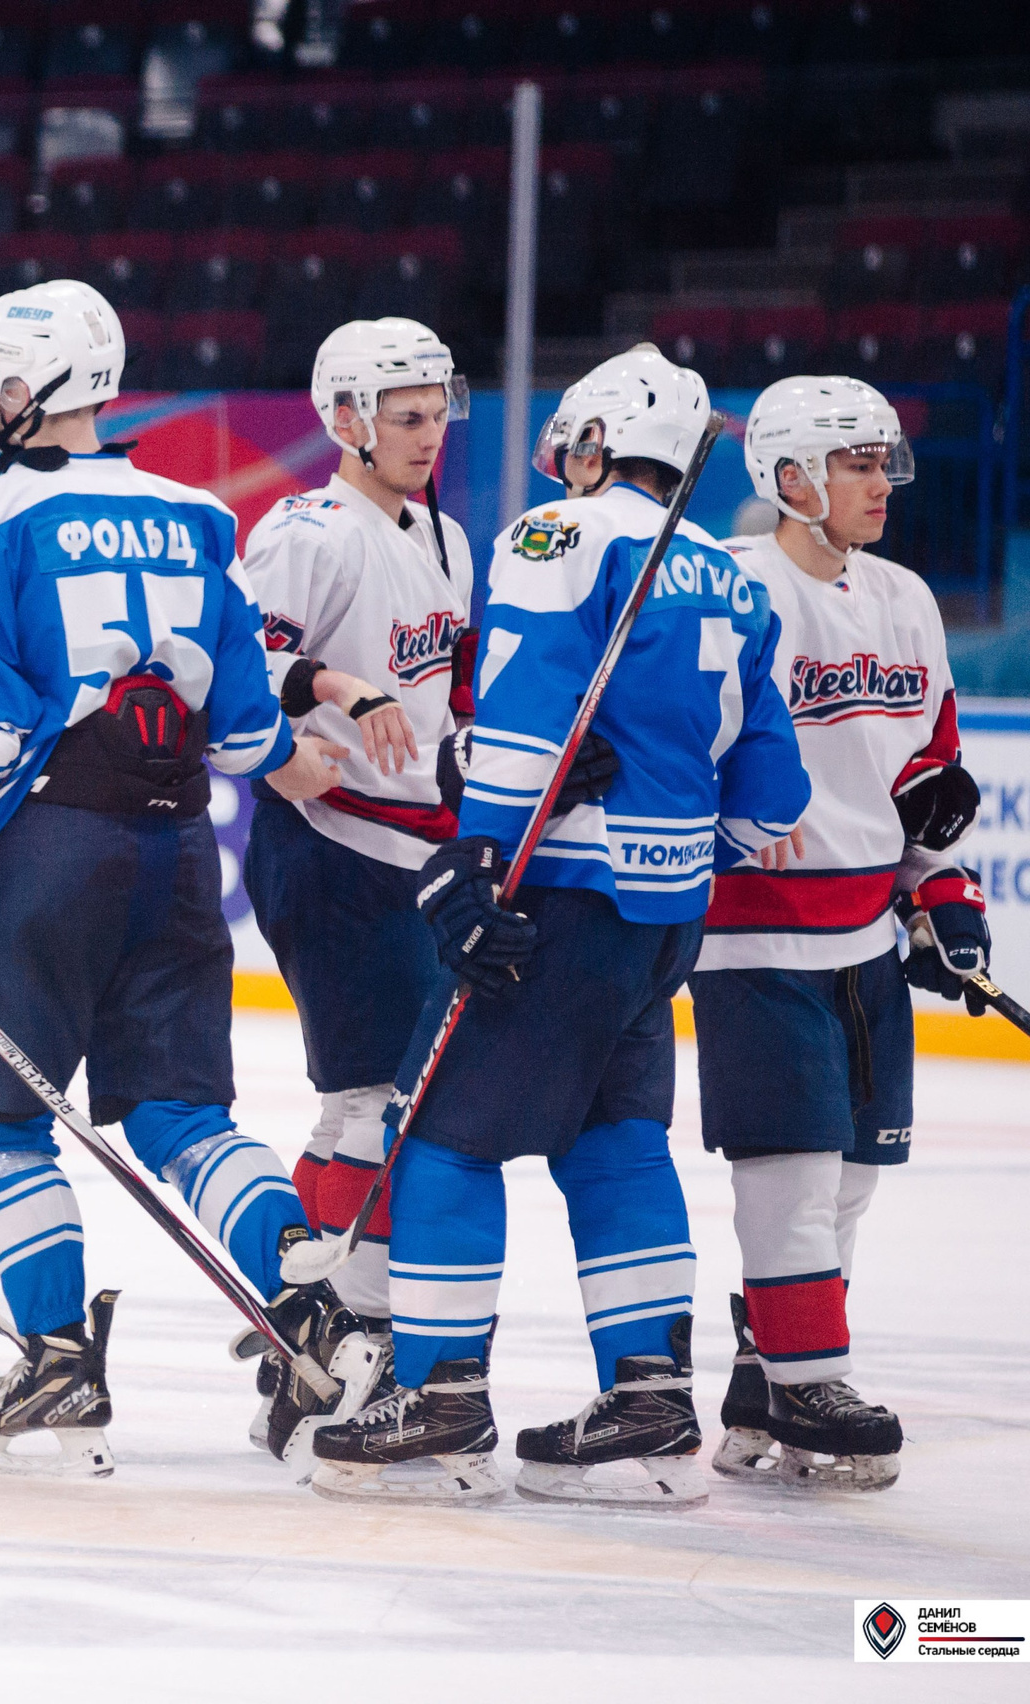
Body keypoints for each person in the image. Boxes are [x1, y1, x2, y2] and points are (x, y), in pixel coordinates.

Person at [0, 281, 357, 1477]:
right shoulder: (201, 514)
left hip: (43, 857)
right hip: (179, 850)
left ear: (34, 389)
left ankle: (55, 1358)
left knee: (2, 1123)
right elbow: (248, 737)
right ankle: (310, 1298)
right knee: (184, 1115)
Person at [308, 345, 811, 1508]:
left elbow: (531, 707)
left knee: (438, 1135)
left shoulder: (559, 536)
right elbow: (771, 797)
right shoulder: (735, 580)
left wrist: (476, 858)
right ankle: (644, 1399)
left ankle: (436, 1398)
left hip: (554, 902)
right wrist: (671, 853)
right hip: (660, 923)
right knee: (615, 1141)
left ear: (596, 442)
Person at [691, 375, 975, 1493]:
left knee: (853, 1175)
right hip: (752, 938)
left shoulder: (905, 597)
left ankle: (767, 1378)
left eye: (881, 461)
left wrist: (939, 896)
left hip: (860, 935)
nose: (878, 482)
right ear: (789, 478)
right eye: (853, 462)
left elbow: (927, 776)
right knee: (793, 1172)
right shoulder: (731, 589)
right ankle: (813, 1381)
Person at [239, 317, 476, 1440]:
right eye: (405, 416)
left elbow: (452, 689)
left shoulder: (448, 535)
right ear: (346, 421)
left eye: (437, 412)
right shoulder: (308, 529)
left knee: (371, 1101)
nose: (429, 434)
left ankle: (318, 1307)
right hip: (325, 847)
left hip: (413, 854)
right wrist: (342, 690)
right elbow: (236, 658)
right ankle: (358, 1328)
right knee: (376, 1100)